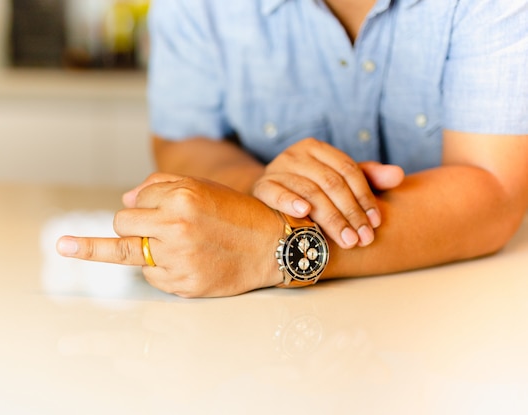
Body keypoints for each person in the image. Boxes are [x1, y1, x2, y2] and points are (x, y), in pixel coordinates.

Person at [57, 0, 528, 298]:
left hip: (458, 311)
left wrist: (272, 244)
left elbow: (495, 191)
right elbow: (185, 139)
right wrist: (260, 190)